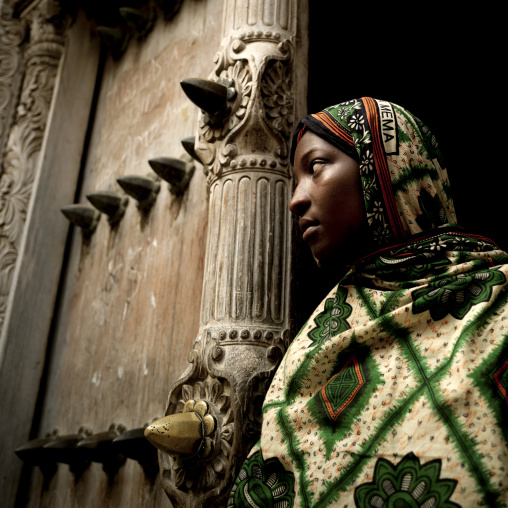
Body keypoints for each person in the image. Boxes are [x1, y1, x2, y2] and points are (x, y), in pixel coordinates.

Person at [228, 97, 508, 507]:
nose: (295, 200)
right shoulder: (327, 327)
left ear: (386, 170)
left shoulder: (497, 298)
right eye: (293, 181)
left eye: (316, 166)